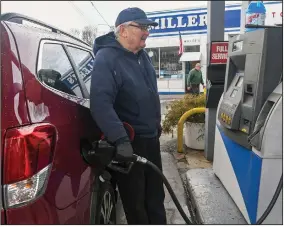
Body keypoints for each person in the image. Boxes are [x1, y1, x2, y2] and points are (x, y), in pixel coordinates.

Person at [89, 7, 167, 225]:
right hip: (130, 146)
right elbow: (100, 103)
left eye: (147, 28)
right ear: (123, 30)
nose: (147, 32)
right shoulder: (107, 58)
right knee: (136, 202)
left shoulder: (142, 57)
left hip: (151, 140)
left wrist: (156, 123)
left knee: (156, 196)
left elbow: (150, 94)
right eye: (141, 27)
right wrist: (121, 139)